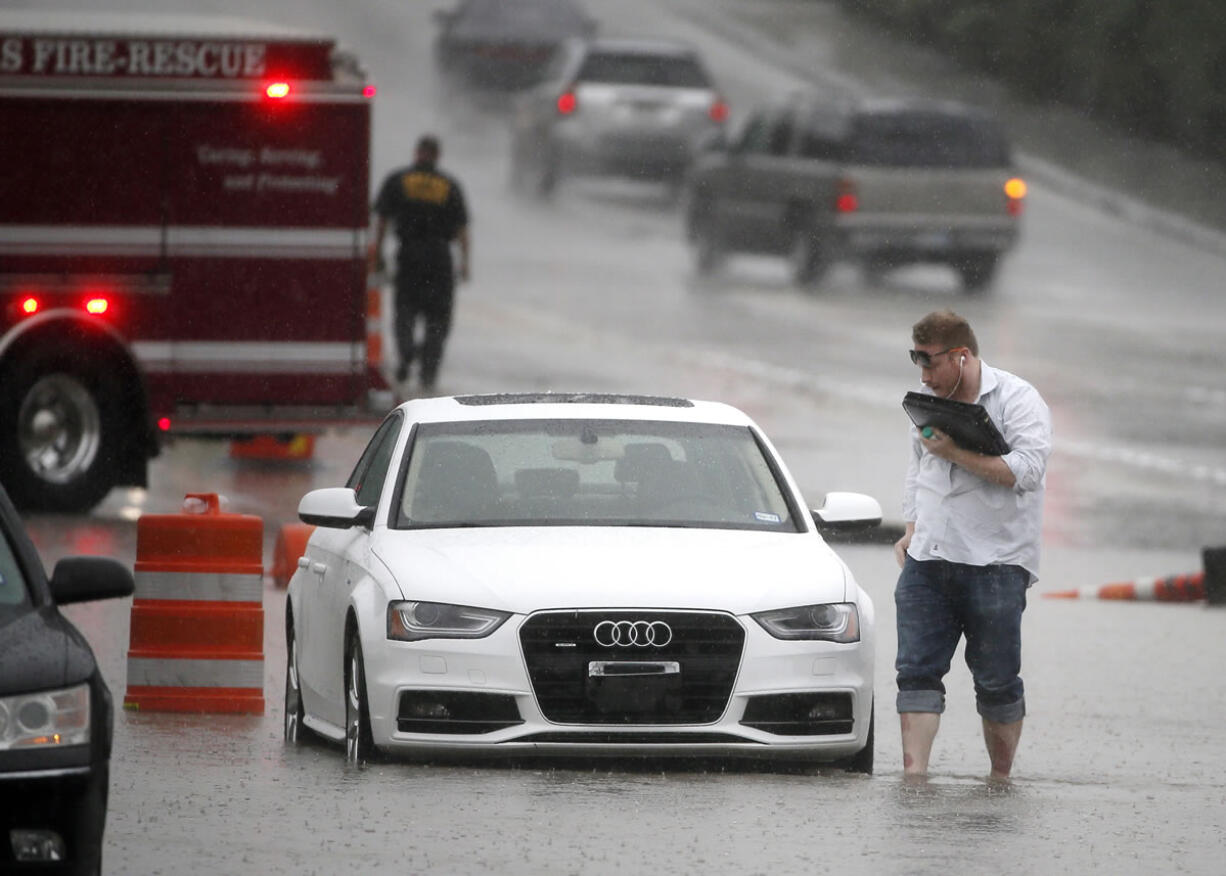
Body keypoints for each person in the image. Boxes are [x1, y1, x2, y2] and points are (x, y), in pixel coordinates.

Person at [892, 310, 1052, 780]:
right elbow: (916, 466)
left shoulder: (1019, 399)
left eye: (930, 362)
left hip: (997, 562)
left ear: (961, 356)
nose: (923, 375)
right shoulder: (926, 398)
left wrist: (956, 452)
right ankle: (914, 778)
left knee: (997, 681)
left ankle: (999, 778)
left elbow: (1027, 472)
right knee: (916, 672)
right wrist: (911, 526)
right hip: (929, 557)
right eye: (916, 362)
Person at [370, 134, 470, 393]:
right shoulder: (448, 185)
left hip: (410, 255)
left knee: (405, 311)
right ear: (437, 155)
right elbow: (461, 229)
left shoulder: (399, 180)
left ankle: (406, 353)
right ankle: (427, 374)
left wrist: (378, 254)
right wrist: (465, 263)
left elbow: (382, 221)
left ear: (417, 153)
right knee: (438, 320)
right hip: (439, 258)